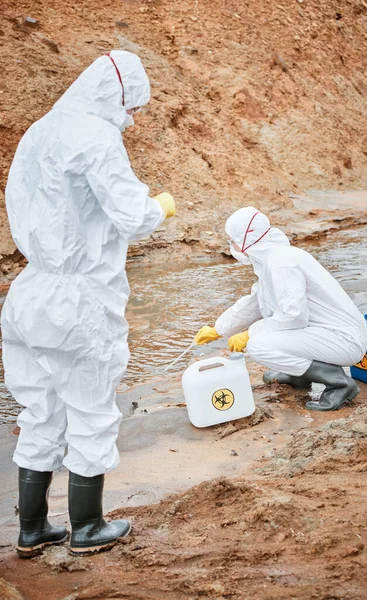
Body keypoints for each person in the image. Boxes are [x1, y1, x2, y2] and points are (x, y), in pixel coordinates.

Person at [2, 50, 176, 557]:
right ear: (116, 95)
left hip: (30, 292)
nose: (133, 118)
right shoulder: (96, 137)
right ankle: (88, 526)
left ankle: (32, 529)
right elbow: (131, 214)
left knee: (40, 409)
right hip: (77, 299)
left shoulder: (39, 131)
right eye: (132, 107)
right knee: (91, 409)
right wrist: (158, 206)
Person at [195, 207, 367, 412]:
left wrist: (249, 334)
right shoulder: (272, 260)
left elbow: (294, 317)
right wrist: (219, 329)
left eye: (232, 240)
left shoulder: (281, 263)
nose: (231, 246)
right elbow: (254, 302)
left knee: (258, 345)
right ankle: (300, 375)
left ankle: (339, 384)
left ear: (245, 241)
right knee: (268, 327)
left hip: (343, 340)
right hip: (327, 333)